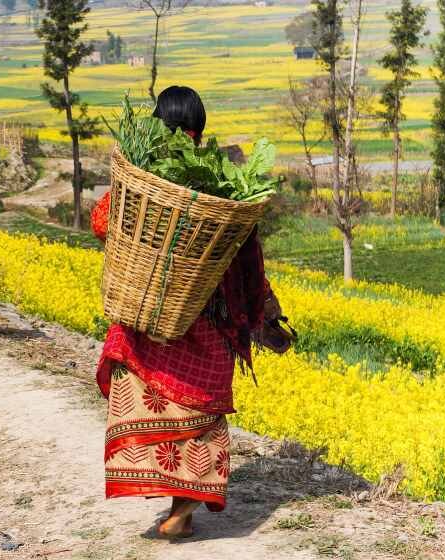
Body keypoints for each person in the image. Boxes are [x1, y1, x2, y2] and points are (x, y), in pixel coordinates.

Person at [91, 85, 281, 538]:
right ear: (200, 131)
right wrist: (266, 311)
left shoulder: (139, 182)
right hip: (206, 323)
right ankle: (182, 508)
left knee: (150, 403)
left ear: (156, 124)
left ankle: (168, 497)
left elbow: (102, 222)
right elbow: (245, 256)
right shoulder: (217, 188)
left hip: (145, 322)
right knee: (202, 418)